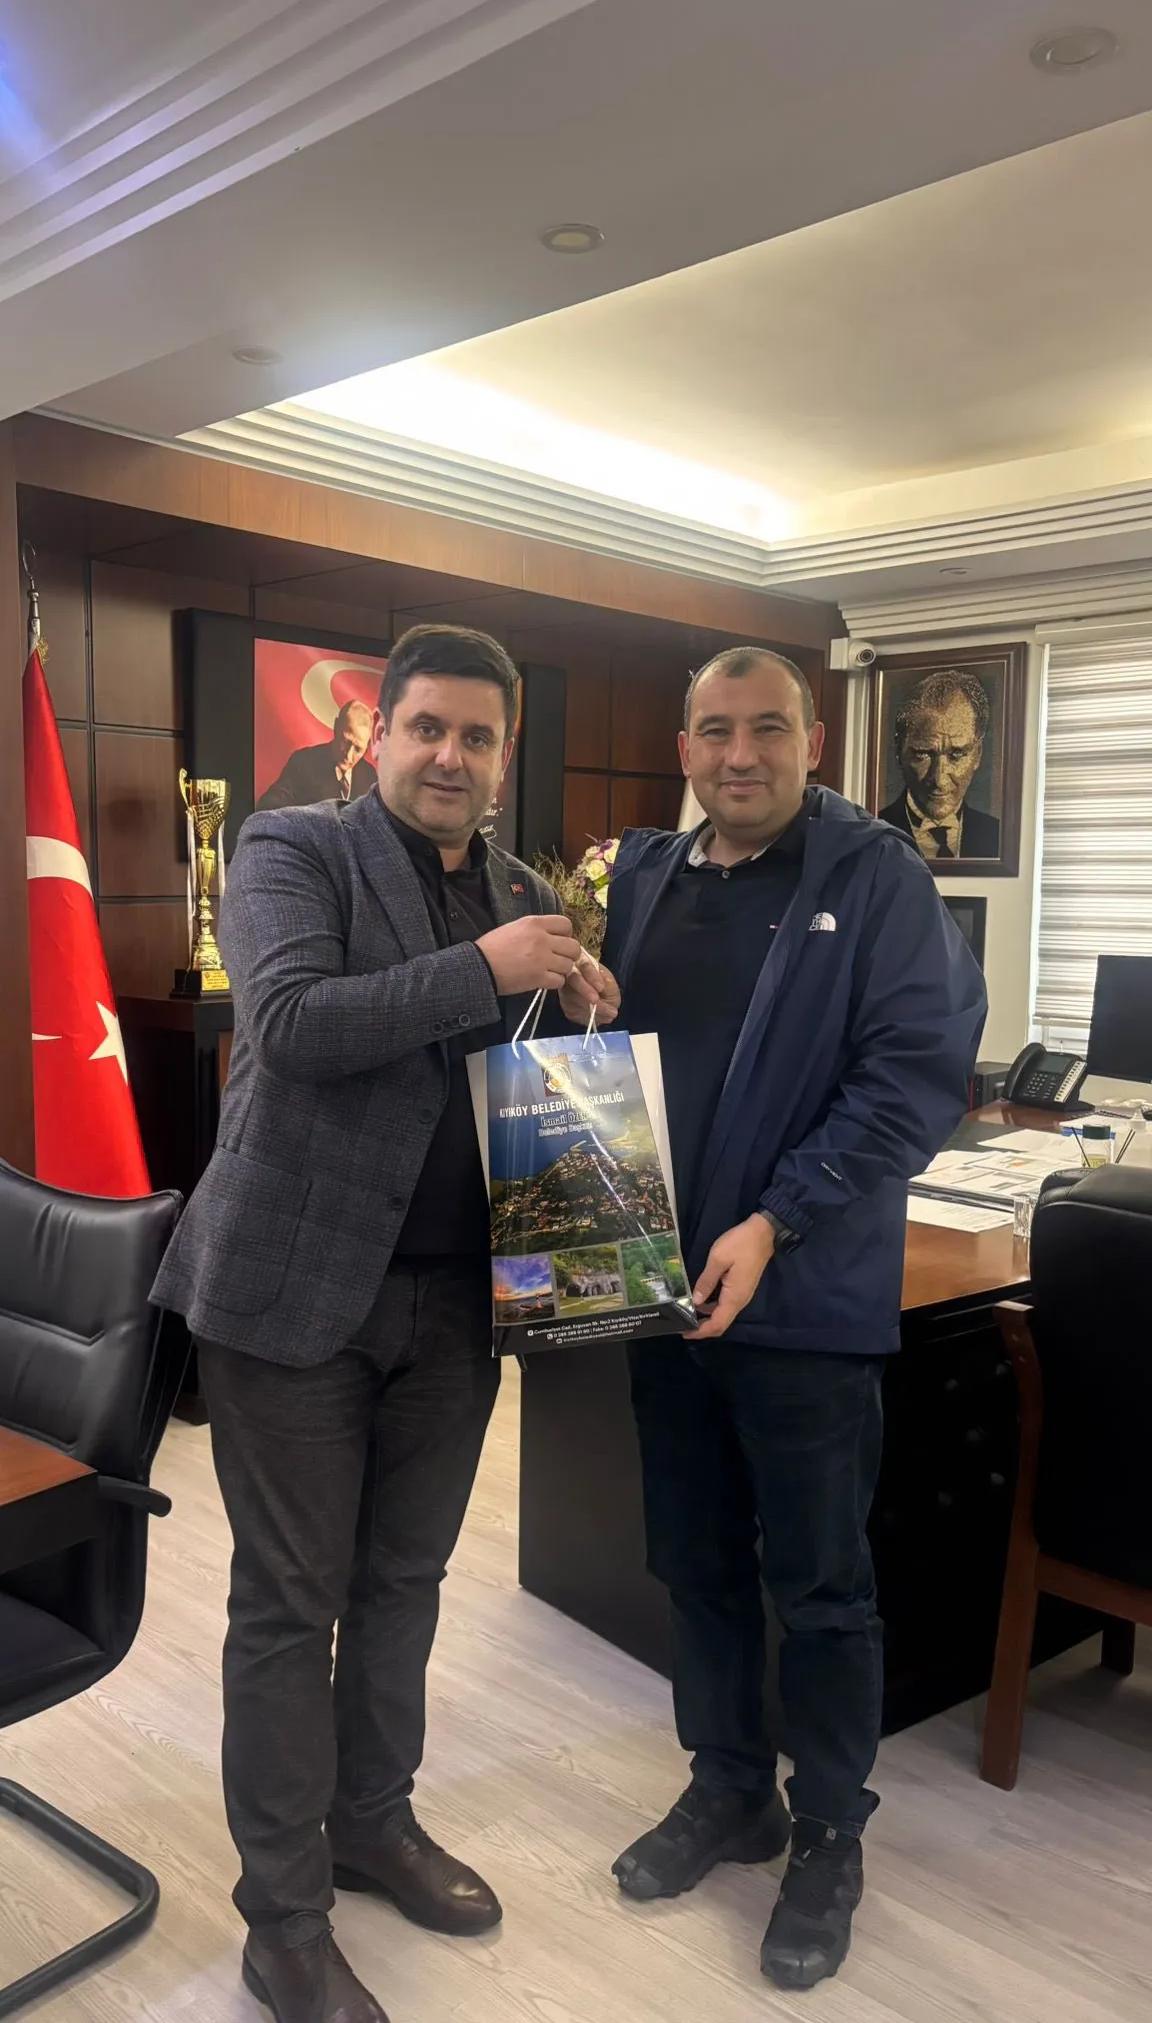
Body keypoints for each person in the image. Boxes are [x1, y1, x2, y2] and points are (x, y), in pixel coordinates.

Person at [152, 625, 597, 2023]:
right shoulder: (292, 850)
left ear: (506, 755)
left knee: (405, 1583)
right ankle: (282, 1921)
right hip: (294, 1296)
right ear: (380, 736)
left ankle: (373, 1820)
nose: (451, 756)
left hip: (461, 1304)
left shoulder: (527, 894)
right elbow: (291, 1024)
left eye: (479, 736)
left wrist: (581, 1021)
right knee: (292, 1603)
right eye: (428, 728)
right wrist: (488, 968)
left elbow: (513, 1083)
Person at [568, 647, 986, 1991]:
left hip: (803, 1298)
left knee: (820, 1589)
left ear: (813, 741)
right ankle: (730, 1787)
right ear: (683, 748)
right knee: (693, 1564)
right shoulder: (645, 876)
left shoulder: (876, 878)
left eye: (765, 729)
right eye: (713, 731)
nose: (737, 754)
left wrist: (776, 1219)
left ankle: (830, 1833)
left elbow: (914, 1079)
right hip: (663, 1295)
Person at [878, 668, 1000, 860]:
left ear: (978, 754)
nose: (939, 780)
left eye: (956, 755)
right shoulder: (870, 834)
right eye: (923, 754)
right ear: (899, 750)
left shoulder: (998, 836)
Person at [257, 699, 377, 808]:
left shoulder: (370, 777)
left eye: (358, 749)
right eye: (345, 741)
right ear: (336, 726)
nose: (348, 755)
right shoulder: (303, 762)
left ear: (367, 746)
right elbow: (268, 806)